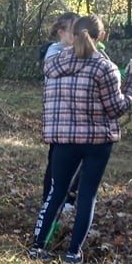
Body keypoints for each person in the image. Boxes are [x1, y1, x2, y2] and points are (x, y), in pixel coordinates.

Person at [28, 14, 132, 264]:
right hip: (96, 141)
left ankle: (37, 247)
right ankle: (73, 253)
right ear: (100, 37)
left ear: (73, 33)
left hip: (63, 139)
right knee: (86, 195)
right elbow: (116, 108)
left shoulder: (54, 64)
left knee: (56, 192)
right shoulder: (105, 67)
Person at [40, 12, 80, 205]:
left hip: (77, 118)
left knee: (77, 162)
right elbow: (63, 67)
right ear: (61, 32)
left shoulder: (78, 53)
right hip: (59, 119)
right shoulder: (54, 52)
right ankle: (50, 201)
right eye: (75, 31)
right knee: (57, 164)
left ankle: (69, 201)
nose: (78, 35)